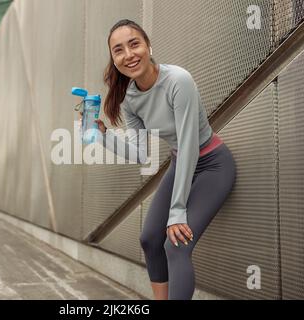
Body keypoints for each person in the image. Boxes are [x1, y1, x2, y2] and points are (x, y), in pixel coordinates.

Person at [80, 19, 236, 300]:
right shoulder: (129, 98)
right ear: (114, 59)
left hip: (212, 164)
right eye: (118, 50)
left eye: (134, 44)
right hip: (180, 164)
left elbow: (189, 144)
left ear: (148, 46)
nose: (128, 54)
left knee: (176, 245)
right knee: (150, 239)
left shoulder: (178, 81)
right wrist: (102, 135)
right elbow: (140, 153)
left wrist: (177, 211)